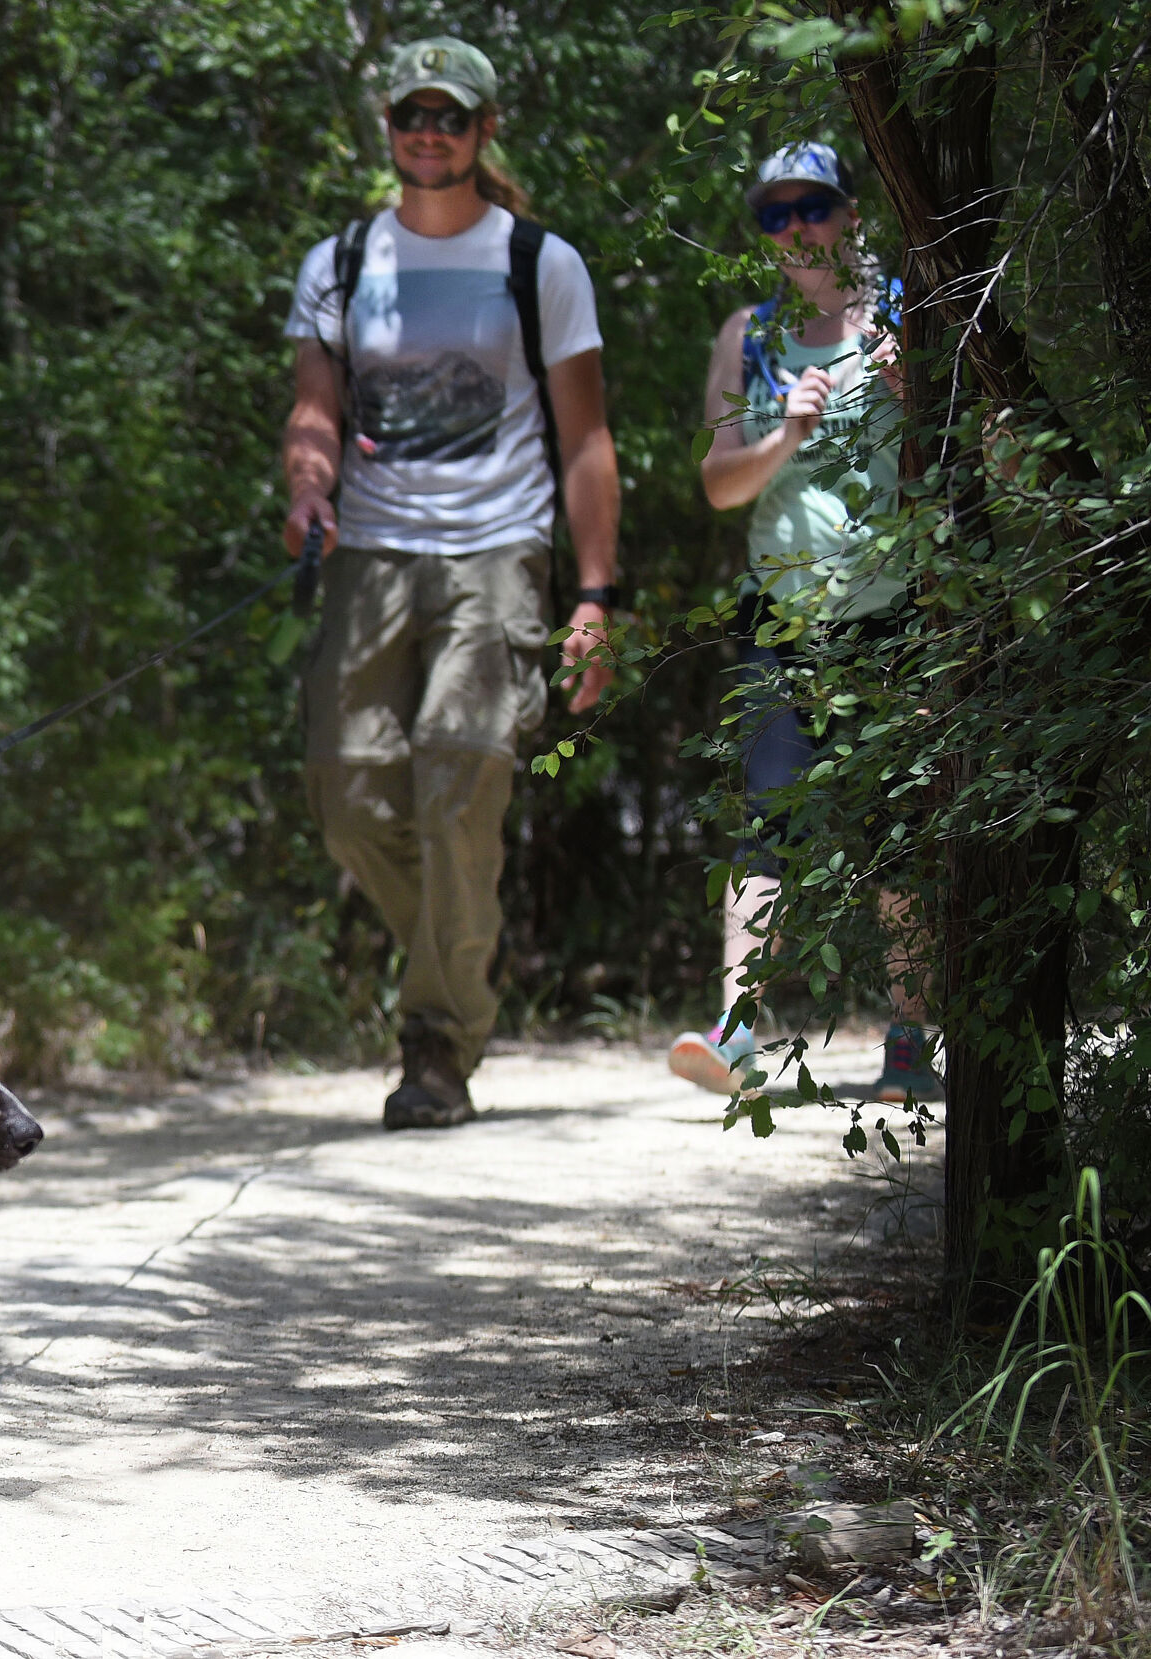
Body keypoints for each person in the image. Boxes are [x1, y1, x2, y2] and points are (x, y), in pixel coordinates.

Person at [281, 36, 621, 1129]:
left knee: (457, 779)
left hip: (498, 549)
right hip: (371, 553)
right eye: (409, 115)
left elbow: (584, 440)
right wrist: (307, 482)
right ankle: (456, 946)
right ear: (387, 127)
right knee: (348, 796)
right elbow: (314, 407)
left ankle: (436, 1046)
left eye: (450, 116)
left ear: (483, 130)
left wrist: (594, 597)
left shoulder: (537, 262)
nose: (428, 133)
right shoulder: (338, 260)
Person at [666, 141, 940, 1105]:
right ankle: (735, 1034)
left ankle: (909, 1043)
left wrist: (926, 399)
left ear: (850, 212)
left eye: (812, 208)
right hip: (782, 627)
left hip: (898, 617)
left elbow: (973, 451)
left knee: (903, 832)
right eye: (776, 216)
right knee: (767, 826)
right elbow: (717, 483)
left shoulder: (910, 316)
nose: (797, 231)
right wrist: (787, 435)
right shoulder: (749, 337)